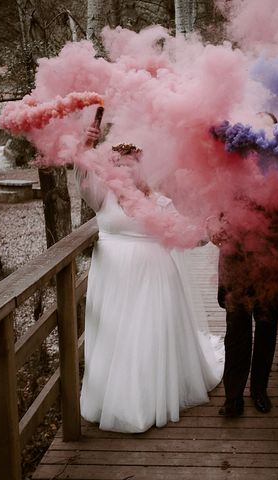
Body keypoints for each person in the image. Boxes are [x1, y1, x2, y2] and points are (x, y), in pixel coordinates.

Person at [77, 128, 223, 433]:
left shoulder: (161, 202)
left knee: (147, 337)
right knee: (116, 337)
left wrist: (209, 230)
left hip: (154, 279)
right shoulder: (101, 197)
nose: (125, 170)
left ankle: (145, 402)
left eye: (132, 165)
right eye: (119, 164)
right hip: (111, 279)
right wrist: (87, 145)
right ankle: (113, 400)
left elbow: (187, 235)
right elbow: (84, 175)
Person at [213, 114, 278, 418]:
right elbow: (214, 211)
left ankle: (259, 390)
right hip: (236, 263)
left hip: (271, 263)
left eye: (268, 127)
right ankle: (233, 397)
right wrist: (214, 229)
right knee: (236, 329)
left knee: (267, 329)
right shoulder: (231, 166)